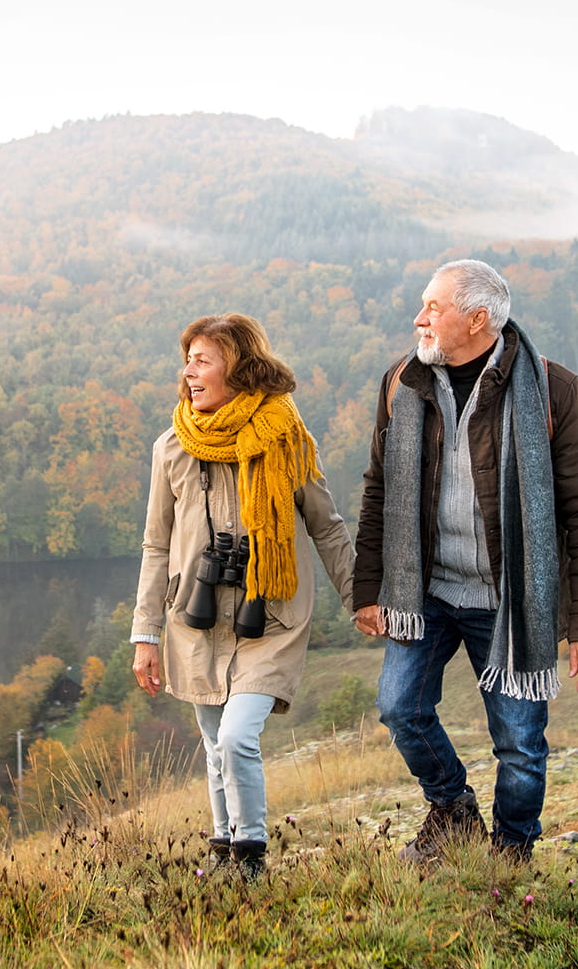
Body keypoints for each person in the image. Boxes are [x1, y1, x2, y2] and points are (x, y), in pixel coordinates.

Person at [352, 259, 578, 865]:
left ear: (477, 320)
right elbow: (378, 490)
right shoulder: (402, 383)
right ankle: (452, 809)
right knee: (400, 708)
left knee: (519, 743)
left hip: (510, 599)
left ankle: (512, 855)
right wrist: (368, 589)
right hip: (426, 591)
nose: (419, 319)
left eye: (434, 307)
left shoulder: (553, 391)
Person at [131, 313, 355, 878]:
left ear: (238, 368)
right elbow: (156, 546)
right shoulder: (172, 448)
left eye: (202, 361)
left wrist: (360, 599)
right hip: (196, 617)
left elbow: (326, 526)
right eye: (187, 361)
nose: (188, 373)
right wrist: (145, 634)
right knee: (214, 742)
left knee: (235, 737)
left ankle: (250, 854)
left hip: (270, 616)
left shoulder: (286, 441)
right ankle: (223, 847)